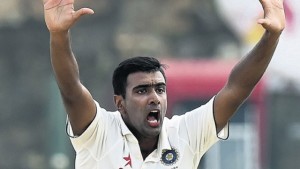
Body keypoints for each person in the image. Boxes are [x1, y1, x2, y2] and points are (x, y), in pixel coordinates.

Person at [43, 0, 285, 168]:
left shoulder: (184, 133)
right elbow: (72, 90)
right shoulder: (99, 132)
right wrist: (59, 35)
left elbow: (236, 90)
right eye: (141, 90)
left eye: (160, 89)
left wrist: (271, 37)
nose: (154, 97)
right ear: (120, 103)